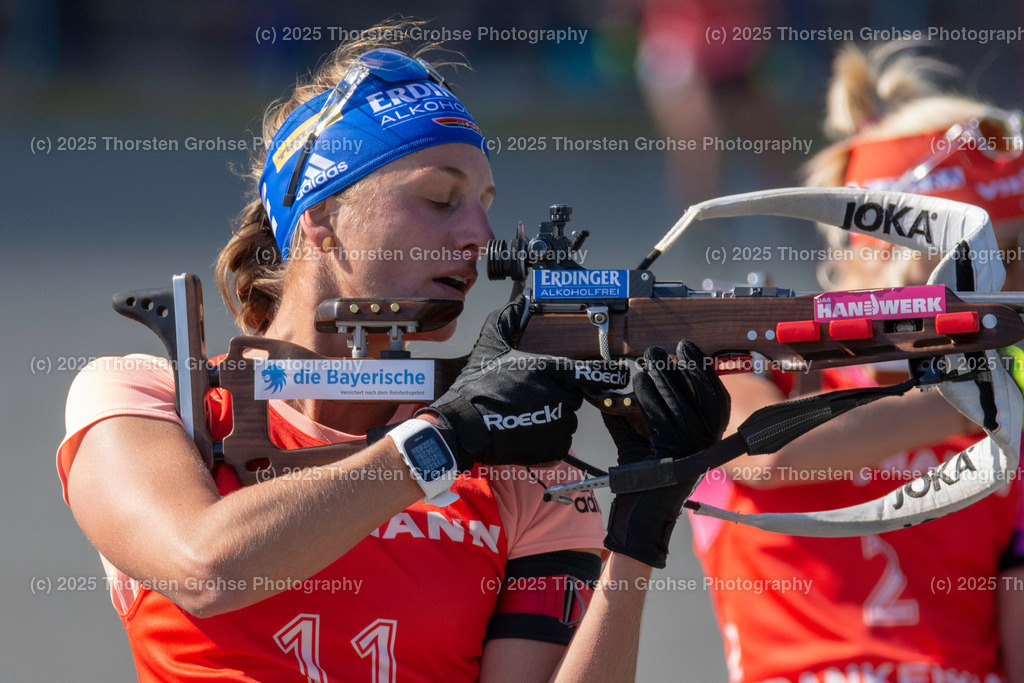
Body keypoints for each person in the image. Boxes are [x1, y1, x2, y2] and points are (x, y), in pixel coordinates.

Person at [56, 24, 730, 682]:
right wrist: (445, 438)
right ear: (320, 216)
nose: (480, 236)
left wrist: (639, 532)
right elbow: (206, 566)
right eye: (439, 199)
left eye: (485, 205)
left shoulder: (519, 466)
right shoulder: (152, 399)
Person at [688, 43, 1024, 683]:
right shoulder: (757, 367)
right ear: (885, 253)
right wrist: (994, 397)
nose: (1012, 277)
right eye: (987, 252)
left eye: (1020, 249)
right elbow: (766, 457)